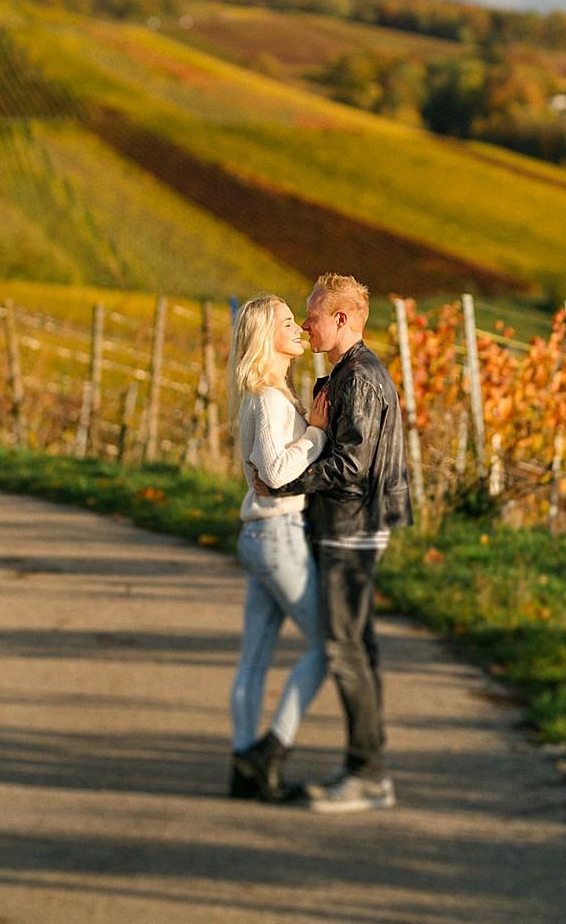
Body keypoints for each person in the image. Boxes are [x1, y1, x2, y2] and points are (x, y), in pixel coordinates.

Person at [252, 272, 412, 814]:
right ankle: (368, 768)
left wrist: (283, 481)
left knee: (345, 649)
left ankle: (367, 774)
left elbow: (350, 465)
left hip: (351, 531)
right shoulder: (345, 374)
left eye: (313, 314)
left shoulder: (358, 378)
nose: (305, 323)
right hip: (351, 528)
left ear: (341, 319)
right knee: (356, 648)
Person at [226, 294, 329, 803]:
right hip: (276, 537)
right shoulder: (266, 396)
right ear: (267, 336)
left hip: (263, 535)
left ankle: (245, 765)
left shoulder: (268, 393)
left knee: (255, 657)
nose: (300, 329)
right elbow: (275, 472)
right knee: (330, 644)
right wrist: (317, 433)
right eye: (289, 322)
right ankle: (272, 750)